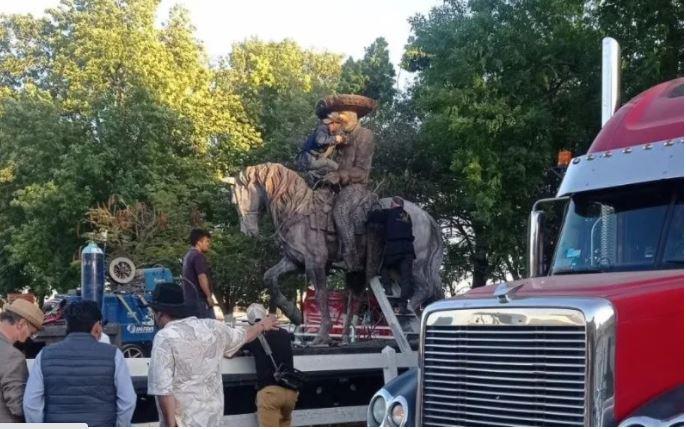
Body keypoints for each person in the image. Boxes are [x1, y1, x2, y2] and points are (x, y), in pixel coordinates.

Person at [147, 283, 280, 427]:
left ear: (159, 313)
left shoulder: (164, 337)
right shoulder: (213, 327)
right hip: (213, 421)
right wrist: (261, 325)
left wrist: (169, 425)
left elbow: (164, 392)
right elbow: (244, 335)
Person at [23, 300, 136, 426]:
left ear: (68, 325)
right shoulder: (114, 355)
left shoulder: (44, 355)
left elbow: (31, 404)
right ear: (96, 326)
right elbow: (128, 401)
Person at [324, 110, 376, 271]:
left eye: (342, 120)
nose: (339, 124)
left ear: (353, 118)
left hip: (356, 186)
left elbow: (361, 169)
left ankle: (351, 258)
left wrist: (340, 175)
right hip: (337, 187)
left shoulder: (365, 135)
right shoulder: (340, 138)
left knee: (340, 211)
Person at [242, 304, 298, 427]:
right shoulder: (284, 333)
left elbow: (232, 350)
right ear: (265, 316)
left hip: (270, 392)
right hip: (291, 392)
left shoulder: (253, 337)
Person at [367, 197, 416, 313]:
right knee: (406, 279)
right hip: (408, 250)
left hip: (394, 248)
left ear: (393, 204)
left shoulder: (388, 213)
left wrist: (371, 210)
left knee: (382, 267)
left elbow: (372, 217)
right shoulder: (407, 216)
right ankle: (403, 306)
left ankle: (388, 288)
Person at [0, 299, 43, 423]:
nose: (30, 338)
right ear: (21, 324)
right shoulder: (12, 356)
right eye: (32, 333)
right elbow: (18, 407)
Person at [296, 113, 346, 185]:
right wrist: (335, 138)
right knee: (336, 167)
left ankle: (313, 174)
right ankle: (313, 175)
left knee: (330, 168)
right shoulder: (322, 128)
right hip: (307, 160)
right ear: (334, 123)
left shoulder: (328, 132)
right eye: (339, 125)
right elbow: (320, 140)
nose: (339, 128)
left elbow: (325, 147)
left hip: (309, 160)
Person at [182, 228, 216, 319]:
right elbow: (202, 277)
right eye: (206, 241)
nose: (208, 244)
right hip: (200, 301)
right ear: (198, 242)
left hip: (190, 300)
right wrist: (208, 296)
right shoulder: (198, 256)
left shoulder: (187, 255)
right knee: (211, 328)